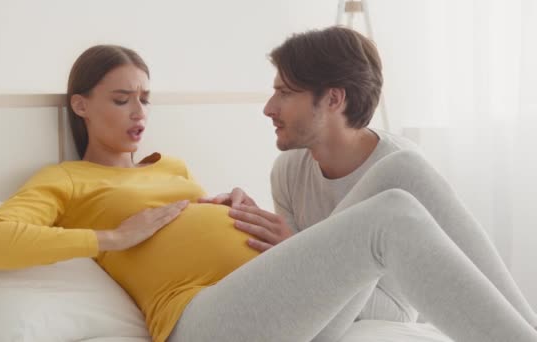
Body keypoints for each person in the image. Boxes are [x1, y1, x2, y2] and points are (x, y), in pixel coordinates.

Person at [0, 42, 537, 342]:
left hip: (278, 304)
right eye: (121, 99)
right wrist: (114, 235)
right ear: (81, 105)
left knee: (404, 173)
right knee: (390, 214)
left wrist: (220, 207)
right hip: (207, 322)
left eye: (145, 98)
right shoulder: (65, 179)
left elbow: (186, 231)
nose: (140, 112)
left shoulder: (175, 168)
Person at [198, 26, 537, 340]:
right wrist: (278, 246)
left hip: (357, 310)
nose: (268, 108)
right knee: (404, 170)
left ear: (333, 99)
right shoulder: (287, 170)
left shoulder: (394, 163)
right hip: (314, 319)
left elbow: (400, 311)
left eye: (284, 93)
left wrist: (301, 248)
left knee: (403, 168)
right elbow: (300, 285)